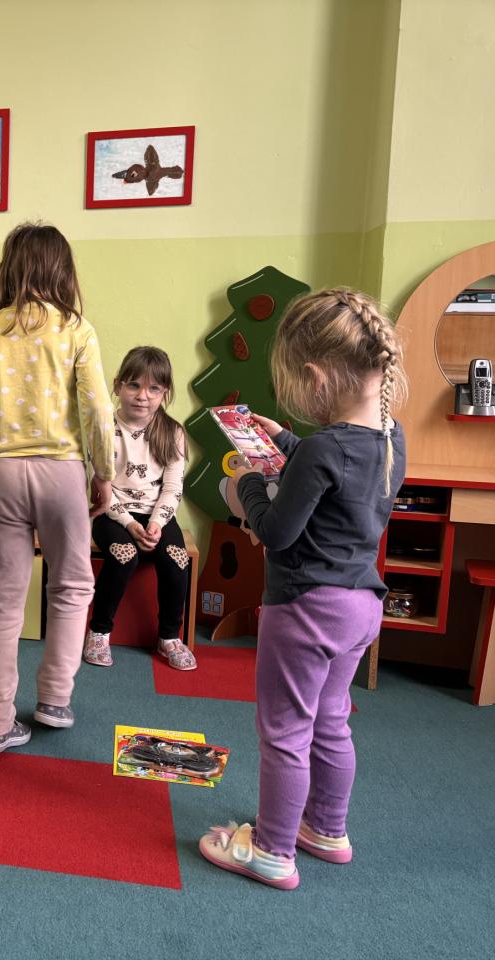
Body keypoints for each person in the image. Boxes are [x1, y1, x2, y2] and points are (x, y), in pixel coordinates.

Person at [199, 288, 407, 890]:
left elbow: (277, 532)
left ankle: (271, 851)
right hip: (360, 608)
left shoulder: (323, 449)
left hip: (306, 608)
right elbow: (341, 479)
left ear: (316, 376)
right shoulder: (390, 435)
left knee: (285, 732)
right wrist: (285, 444)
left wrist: (247, 485)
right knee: (331, 721)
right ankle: (327, 829)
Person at [0, 222, 115, 754]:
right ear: (63, 270)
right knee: (72, 585)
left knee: (0, 597)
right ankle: (55, 699)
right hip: (63, 471)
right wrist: (103, 473)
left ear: (8, 270)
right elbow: (98, 411)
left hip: (2, 474)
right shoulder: (77, 330)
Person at [84, 346, 196, 670]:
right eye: (134, 385)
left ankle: (169, 637)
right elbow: (100, 485)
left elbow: (173, 488)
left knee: (176, 559)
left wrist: (157, 523)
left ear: (165, 392)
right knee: (124, 556)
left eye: (153, 388)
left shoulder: (172, 432)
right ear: (118, 385)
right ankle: (99, 632)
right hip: (112, 512)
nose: (142, 396)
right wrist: (130, 524)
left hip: (157, 514)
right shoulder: (103, 428)